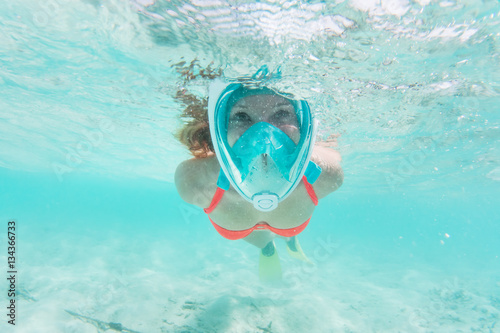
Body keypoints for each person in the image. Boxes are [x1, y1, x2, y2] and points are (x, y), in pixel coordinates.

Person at [175, 77, 343, 282]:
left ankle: (289, 239)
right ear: (221, 129)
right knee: (262, 240)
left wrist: (300, 162)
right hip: (263, 226)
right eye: (242, 116)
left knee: (284, 231)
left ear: (303, 126)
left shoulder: (326, 174)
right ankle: (268, 247)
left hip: (268, 224)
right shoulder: (195, 182)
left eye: (281, 113)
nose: (263, 134)